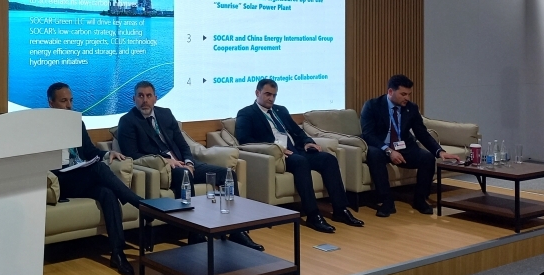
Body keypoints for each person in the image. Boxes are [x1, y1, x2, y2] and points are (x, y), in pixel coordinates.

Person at [117, 81, 262, 250]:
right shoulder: (127, 121)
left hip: (184, 163)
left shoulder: (165, 114)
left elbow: (182, 144)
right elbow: (132, 155)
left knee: (227, 174)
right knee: (184, 175)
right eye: (140, 96)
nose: (145, 100)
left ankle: (237, 230)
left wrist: (189, 162)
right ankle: (195, 234)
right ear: (134, 99)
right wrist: (165, 160)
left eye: (148, 96)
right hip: (163, 169)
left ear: (155, 98)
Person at [235, 79, 364, 233]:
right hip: (278, 156)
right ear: (257, 93)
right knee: (301, 162)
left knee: (328, 159)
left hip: (296, 150)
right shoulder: (246, 113)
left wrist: (308, 142)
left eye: (274, 95)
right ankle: (313, 214)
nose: (271, 99)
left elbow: (297, 131)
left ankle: (340, 209)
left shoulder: (281, 110)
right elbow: (245, 140)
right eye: (267, 94)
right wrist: (275, 148)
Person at [47, 83, 145, 275]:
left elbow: (90, 151)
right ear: (51, 103)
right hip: (61, 180)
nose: (69, 105)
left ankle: (118, 253)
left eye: (71, 100)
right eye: (63, 101)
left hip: (80, 176)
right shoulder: (43, 127)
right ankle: (139, 203)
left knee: (107, 193)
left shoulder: (77, 123)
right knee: (99, 168)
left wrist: (108, 153)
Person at [360, 74, 461, 216]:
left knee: (427, 158)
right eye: (403, 94)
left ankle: (420, 200)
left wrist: (439, 151)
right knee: (374, 155)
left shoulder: (411, 108)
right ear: (390, 91)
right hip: (381, 147)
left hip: (403, 147)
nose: (407, 98)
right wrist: (389, 151)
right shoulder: (372, 106)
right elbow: (368, 134)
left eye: (409, 94)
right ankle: (387, 202)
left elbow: (421, 133)